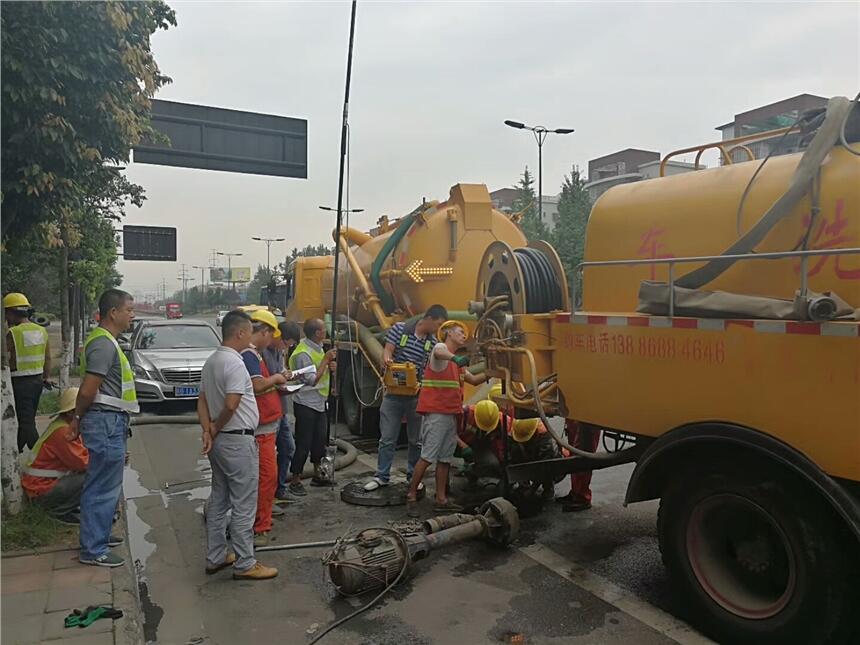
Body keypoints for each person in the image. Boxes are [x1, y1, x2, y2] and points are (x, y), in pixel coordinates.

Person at [199, 310, 277, 581]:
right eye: (249, 331)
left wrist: (207, 430)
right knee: (244, 503)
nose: (252, 338)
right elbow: (232, 403)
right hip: (236, 440)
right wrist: (216, 428)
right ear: (240, 333)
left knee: (220, 499)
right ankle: (245, 563)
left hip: (221, 441)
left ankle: (216, 556)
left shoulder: (212, 361)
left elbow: (202, 400)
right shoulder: (234, 364)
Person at [70, 289, 137, 568]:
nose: (132, 315)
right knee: (102, 486)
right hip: (105, 420)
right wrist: (76, 418)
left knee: (106, 483)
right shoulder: (104, 344)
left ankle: (98, 536)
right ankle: (93, 549)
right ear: (114, 313)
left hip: (111, 419)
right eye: (129, 310)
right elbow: (88, 390)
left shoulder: (106, 341)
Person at [364, 304, 448, 492]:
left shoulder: (432, 343)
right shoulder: (400, 329)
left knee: (416, 440)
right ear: (429, 318)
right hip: (393, 395)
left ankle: (413, 475)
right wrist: (387, 360)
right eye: (438, 324)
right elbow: (388, 350)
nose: (438, 328)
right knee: (387, 438)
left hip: (415, 397)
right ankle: (381, 476)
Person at [406, 321, 486, 517]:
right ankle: (411, 496)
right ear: (448, 333)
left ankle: (441, 499)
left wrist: (495, 372)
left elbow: (474, 380)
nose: (463, 335)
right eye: (460, 332)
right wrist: (455, 358)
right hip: (437, 414)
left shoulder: (457, 365)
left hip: (450, 415)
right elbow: (441, 352)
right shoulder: (440, 351)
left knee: (444, 459)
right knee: (427, 457)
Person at [241, 310, 289, 547]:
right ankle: (259, 526)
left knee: (265, 478)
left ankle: (261, 519)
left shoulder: (255, 354)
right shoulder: (249, 355)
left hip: (266, 426)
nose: (272, 341)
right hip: (260, 430)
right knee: (265, 478)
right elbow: (257, 385)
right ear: (264, 332)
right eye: (270, 336)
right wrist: (278, 380)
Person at [21, 387, 88, 523]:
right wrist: (110, 460)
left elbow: (81, 453)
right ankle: (58, 512)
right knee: (92, 475)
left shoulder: (62, 425)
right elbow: (83, 463)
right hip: (40, 491)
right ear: (70, 412)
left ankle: (64, 507)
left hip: (39, 487)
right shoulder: (64, 432)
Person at [287, 318, 336, 496]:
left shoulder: (318, 346)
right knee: (304, 442)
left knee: (320, 441)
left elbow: (322, 374)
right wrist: (325, 360)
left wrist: (331, 367)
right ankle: (295, 479)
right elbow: (311, 379)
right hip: (306, 402)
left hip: (320, 402)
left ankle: (319, 474)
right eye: (323, 329)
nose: (326, 332)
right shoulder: (302, 353)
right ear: (317, 333)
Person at [4, 292, 51, 451]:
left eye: (6, 314)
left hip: (19, 382)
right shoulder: (41, 331)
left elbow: (5, 359)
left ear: (11, 312)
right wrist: (46, 377)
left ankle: (40, 455)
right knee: (27, 419)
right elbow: (48, 358)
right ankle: (15, 451)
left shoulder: (12, 333)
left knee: (25, 422)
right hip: (37, 381)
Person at [261, 321, 301, 502]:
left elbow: (280, 371)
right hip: (268, 412)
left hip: (281, 409)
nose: (288, 347)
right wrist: (278, 378)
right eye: (288, 343)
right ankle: (267, 497)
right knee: (266, 458)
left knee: (288, 448)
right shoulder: (261, 353)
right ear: (278, 336)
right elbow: (261, 382)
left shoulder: (278, 351)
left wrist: (286, 374)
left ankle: (279, 489)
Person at [556, 420, 601, 512]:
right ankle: (575, 492)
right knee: (574, 452)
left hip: (588, 416)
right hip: (575, 415)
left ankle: (582, 497)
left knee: (582, 453)